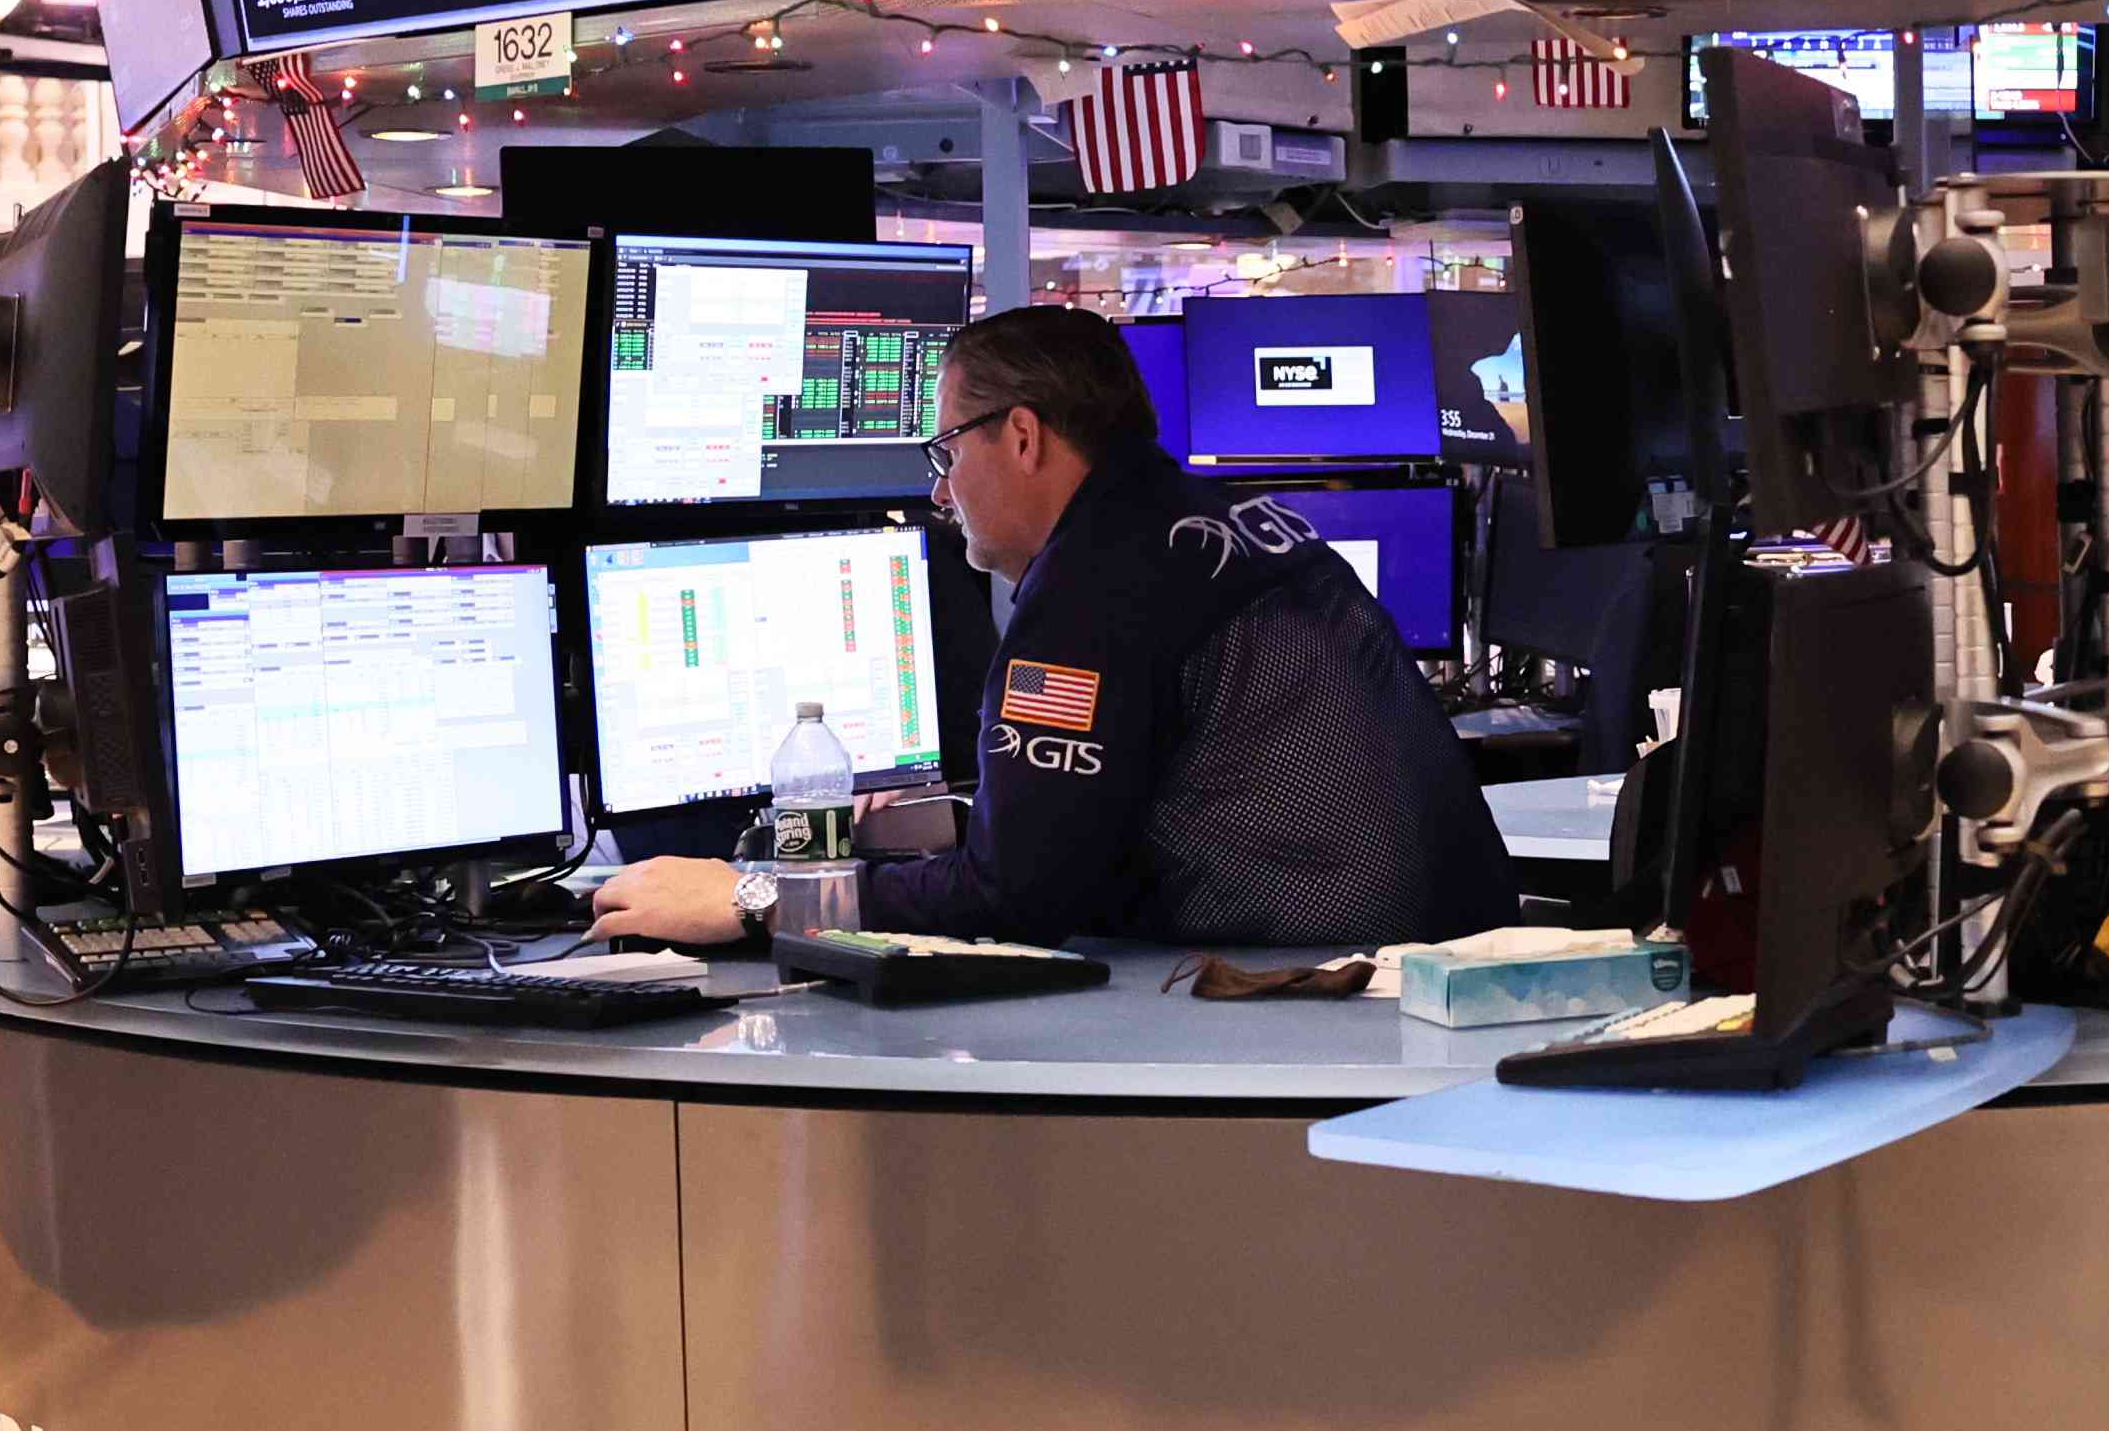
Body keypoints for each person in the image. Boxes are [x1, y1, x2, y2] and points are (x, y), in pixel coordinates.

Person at [592, 305, 1514, 955]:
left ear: (1023, 436)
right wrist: (964, 820)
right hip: (1419, 971)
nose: (940, 492)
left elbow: (1017, 901)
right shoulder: (1230, 522)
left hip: (1313, 998)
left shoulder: (1090, 594)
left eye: (947, 452)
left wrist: (754, 899)